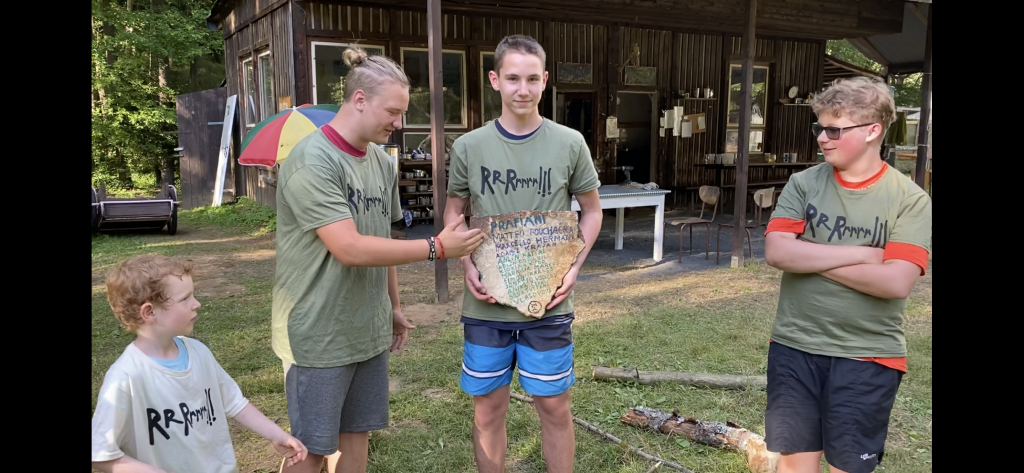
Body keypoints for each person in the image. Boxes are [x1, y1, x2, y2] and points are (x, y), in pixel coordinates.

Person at [272, 47, 484, 473]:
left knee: (357, 436)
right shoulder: (312, 161)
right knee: (310, 450)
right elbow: (349, 248)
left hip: (366, 328)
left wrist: (393, 307)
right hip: (317, 334)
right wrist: (437, 248)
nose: (399, 123)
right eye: (393, 111)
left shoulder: (381, 163)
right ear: (359, 100)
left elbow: (383, 238)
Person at [444, 34, 603, 473]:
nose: (523, 89)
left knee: (554, 407)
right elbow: (455, 212)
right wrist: (465, 263)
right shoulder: (469, 146)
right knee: (487, 409)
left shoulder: (570, 142)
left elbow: (591, 211)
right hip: (486, 304)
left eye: (532, 79)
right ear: (494, 80)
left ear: (545, 80)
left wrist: (574, 266)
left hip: (547, 302)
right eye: (513, 78)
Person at [763, 76, 932, 473]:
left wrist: (810, 257)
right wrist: (862, 255)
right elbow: (777, 252)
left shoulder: (910, 200)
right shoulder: (803, 183)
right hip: (794, 345)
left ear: (872, 131)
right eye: (819, 128)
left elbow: (895, 282)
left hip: (868, 355)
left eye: (834, 129)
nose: (822, 138)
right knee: (793, 466)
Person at [91, 255, 308, 473]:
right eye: (185, 298)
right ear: (149, 312)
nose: (197, 304)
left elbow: (234, 402)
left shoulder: (199, 352)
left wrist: (275, 434)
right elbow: (99, 453)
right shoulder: (126, 377)